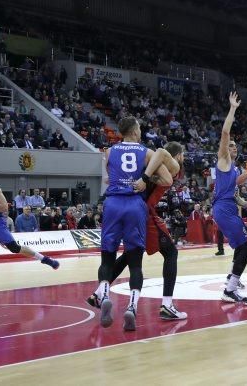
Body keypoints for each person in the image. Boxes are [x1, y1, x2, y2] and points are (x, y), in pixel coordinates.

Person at [88, 142, 188, 321]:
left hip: (130, 209)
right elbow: (160, 150)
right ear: (178, 155)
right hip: (145, 213)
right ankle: (167, 305)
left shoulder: (148, 164)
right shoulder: (169, 167)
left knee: (129, 255)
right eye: (183, 155)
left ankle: (98, 293)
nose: (183, 158)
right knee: (171, 253)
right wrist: (145, 176)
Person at [94, 116, 155, 331]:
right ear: (135, 130)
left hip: (113, 204)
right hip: (134, 204)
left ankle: (105, 295)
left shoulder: (109, 152)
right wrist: (145, 179)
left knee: (107, 258)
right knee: (135, 263)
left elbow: (107, 179)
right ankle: (132, 307)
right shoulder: (146, 152)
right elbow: (164, 170)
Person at [212, 92, 247, 306]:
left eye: (236, 146)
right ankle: (230, 287)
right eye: (231, 145)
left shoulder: (234, 171)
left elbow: (235, 194)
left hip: (228, 208)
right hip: (223, 210)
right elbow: (225, 132)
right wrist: (233, 109)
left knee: (244, 247)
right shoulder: (224, 159)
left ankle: (231, 284)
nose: (232, 147)